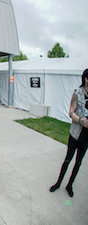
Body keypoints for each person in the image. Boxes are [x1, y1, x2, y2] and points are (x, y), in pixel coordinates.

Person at [49, 69, 88, 197]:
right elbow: (71, 112)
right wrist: (80, 120)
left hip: (86, 138)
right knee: (68, 160)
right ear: (86, 79)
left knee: (78, 162)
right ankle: (58, 183)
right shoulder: (78, 93)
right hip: (76, 134)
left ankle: (69, 185)